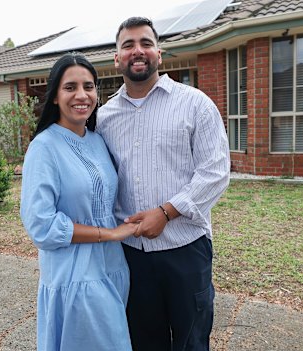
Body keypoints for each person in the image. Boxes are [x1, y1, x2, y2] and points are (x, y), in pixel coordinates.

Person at [97, 17, 230, 351]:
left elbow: (215, 171)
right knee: (143, 340)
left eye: (145, 43)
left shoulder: (194, 103)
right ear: (116, 58)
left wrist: (166, 212)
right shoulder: (104, 118)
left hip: (185, 248)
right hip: (131, 254)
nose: (137, 51)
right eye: (127, 45)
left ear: (159, 53)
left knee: (191, 340)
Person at [20, 52, 137, 351]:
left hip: (113, 268)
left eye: (89, 86)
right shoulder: (44, 147)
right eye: (70, 87)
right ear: (55, 96)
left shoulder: (97, 140)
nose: (81, 95)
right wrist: (108, 233)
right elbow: (41, 224)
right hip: (76, 276)